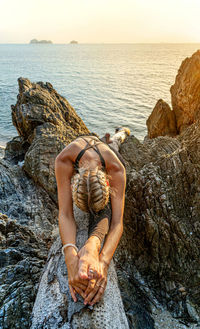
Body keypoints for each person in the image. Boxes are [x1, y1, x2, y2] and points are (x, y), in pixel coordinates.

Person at [55, 128, 129, 307]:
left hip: (107, 154)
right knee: (104, 141)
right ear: (74, 183)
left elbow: (118, 223)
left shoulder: (117, 169)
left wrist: (103, 261)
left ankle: (121, 133)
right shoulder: (63, 160)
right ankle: (104, 137)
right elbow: (65, 213)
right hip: (83, 144)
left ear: (107, 183)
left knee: (115, 144)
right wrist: (70, 255)